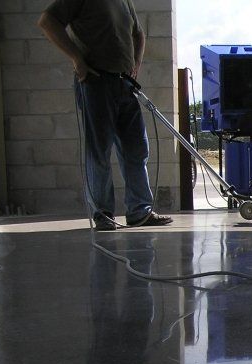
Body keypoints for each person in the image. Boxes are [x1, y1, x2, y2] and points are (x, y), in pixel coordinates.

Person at [38, 0, 172, 230]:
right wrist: (76, 59)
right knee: (99, 150)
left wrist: (136, 63)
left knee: (137, 149)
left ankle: (140, 211)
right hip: (96, 81)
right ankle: (103, 214)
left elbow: (138, 34)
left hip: (125, 83)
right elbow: (47, 22)